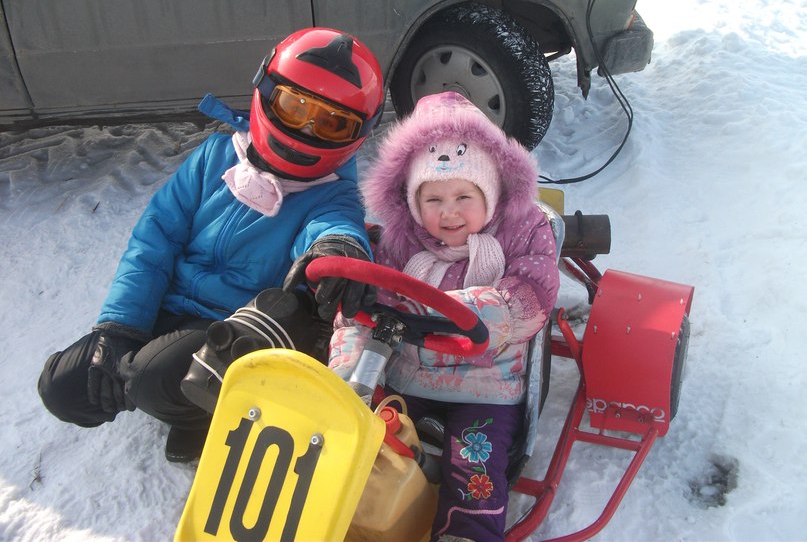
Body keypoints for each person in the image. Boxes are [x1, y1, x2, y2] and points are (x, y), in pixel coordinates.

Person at [37, 27, 384, 463]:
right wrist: (119, 329)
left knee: (149, 378)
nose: (307, 129)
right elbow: (154, 240)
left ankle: (208, 414)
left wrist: (340, 248)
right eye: (294, 107)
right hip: (167, 307)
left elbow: (335, 228)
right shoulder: (214, 157)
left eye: (331, 124)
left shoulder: (330, 194)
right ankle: (170, 388)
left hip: (230, 330)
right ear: (265, 90)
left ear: (357, 135)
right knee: (65, 386)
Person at [328, 91, 560, 542]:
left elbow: (532, 296)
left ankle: (466, 532)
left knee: (474, 466)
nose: (448, 211)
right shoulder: (399, 243)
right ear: (414, 203)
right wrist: (348, 369)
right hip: (407, 376)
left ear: (489, 192)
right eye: (432, 199)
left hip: (485, 387)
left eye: (462, 196)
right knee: (364, 447)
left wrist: (466, 311)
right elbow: (364, 308)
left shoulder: (523, 232)